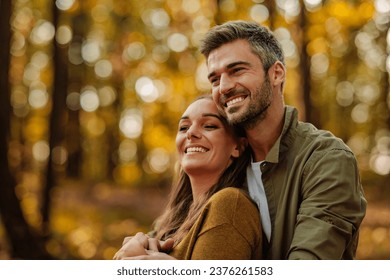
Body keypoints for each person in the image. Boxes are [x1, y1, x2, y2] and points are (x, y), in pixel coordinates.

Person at [116, 20, 367, 260]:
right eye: (214, 79)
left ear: (276, 73)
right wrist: (140, 243)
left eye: (237, 70)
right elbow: (181, 224)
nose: (224, 87)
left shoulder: (325, 160)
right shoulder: (226, 160)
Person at [114, 95, 262, 260]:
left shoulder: (231, 204)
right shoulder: (167, 222)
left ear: (238, 146)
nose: (191, 133)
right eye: (184, 127)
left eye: (209, 125)